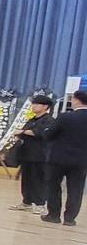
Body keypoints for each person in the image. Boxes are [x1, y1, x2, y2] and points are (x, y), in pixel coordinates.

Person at [41, 89, 87, 227]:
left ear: (77, 100)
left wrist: (46, 132)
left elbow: (49, 135)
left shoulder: (65, 117)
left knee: (53, 186)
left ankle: (53, 215)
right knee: (76, 189)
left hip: (58, 158)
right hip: (81, 160)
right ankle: (70, 218)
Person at [10, 93, 55, 214]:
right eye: (33, 103)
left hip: (39, 155)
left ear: (45, 106)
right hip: (27, 154)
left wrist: (23, 131)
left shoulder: (48, 120)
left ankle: (40, 204)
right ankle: (27, 202)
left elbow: (40, 133)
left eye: (37, 104)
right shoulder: (32, 119)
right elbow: (23, 132)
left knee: (38, 180)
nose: (33, 106)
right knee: (27, 179)